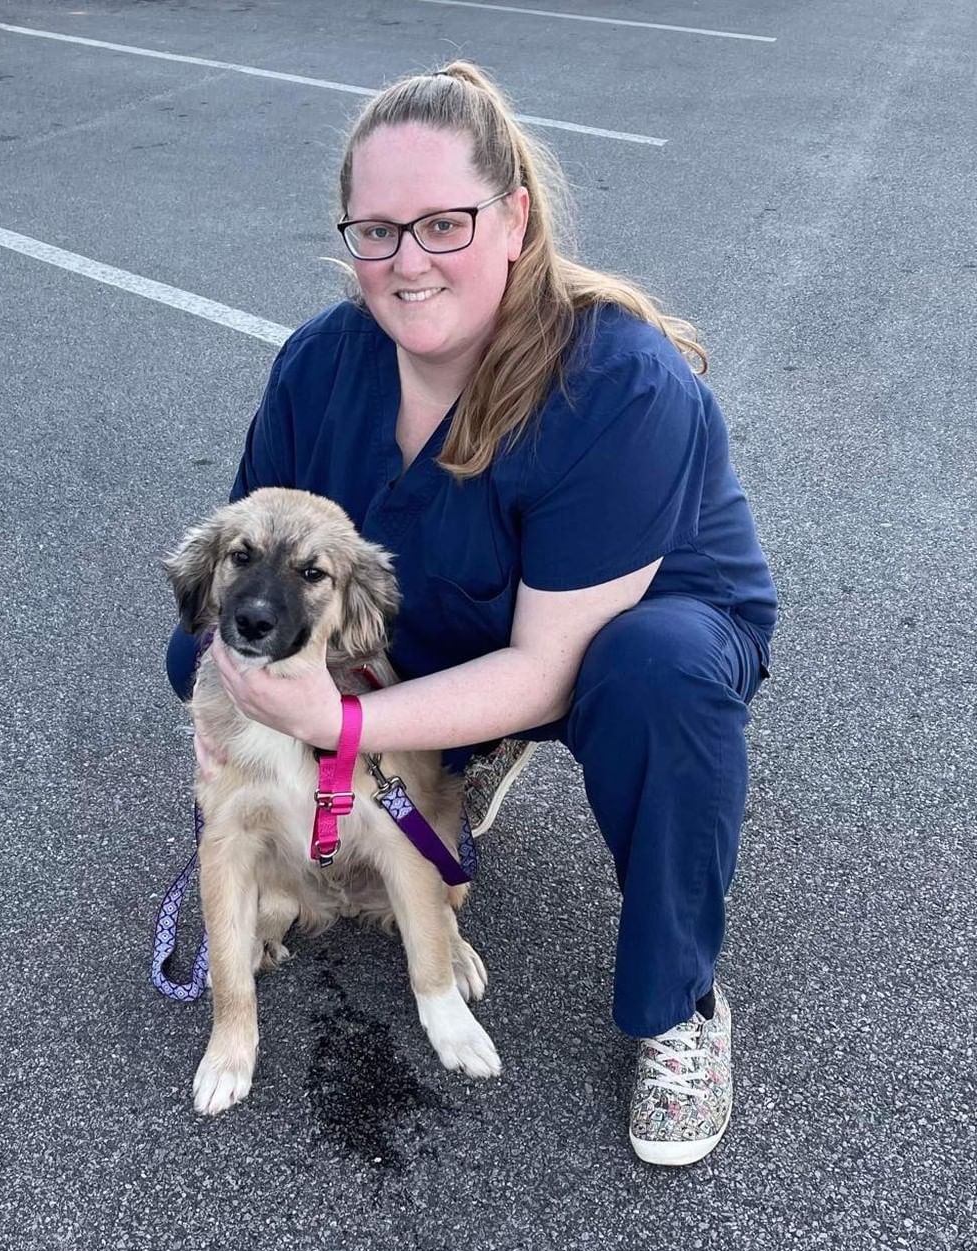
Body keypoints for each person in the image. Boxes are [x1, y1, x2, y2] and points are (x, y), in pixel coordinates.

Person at [166, 61, 777, 1166]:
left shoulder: (620, 386)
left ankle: (679, 1003)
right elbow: (242, 566)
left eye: (443, 223)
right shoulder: (322, 364)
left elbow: (550, 661)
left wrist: (341, 729)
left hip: (619, 633)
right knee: (200, 663)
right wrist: (229, 720)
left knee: (655, 676)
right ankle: (451, 748)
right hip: (447, 609)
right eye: (376, 230)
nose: (407, 261)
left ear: (515, 220)